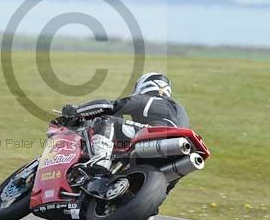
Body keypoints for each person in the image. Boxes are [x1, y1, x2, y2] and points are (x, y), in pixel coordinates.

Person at [61, 72, 190, 170]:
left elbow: (108, 106)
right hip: (180, 150)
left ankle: (100, 163)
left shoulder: (148, 99)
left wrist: (77, 111)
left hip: (156, 135)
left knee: (106, 120)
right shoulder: (179, 108)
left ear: (143, 86)